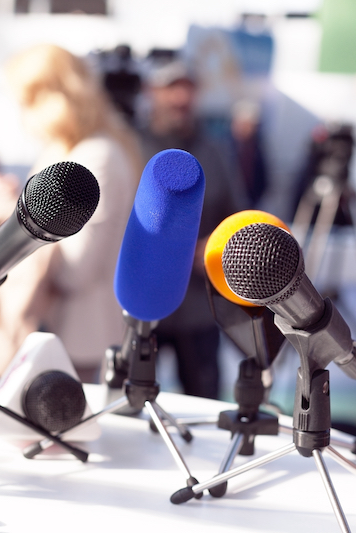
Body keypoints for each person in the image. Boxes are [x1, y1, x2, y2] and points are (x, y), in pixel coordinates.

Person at [0, 44, 142, 380]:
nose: (23, 116)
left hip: (78, 343)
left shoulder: (96, 156)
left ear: (52, 99)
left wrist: (6, 213)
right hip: (58, 338)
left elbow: (75, 270)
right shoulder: (73, 149)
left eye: (27, 103)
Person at [137, 56, 247, 399]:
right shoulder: (130, 147)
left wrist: (214, 247)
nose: (181, 98)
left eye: (188, 88)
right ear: (151, 91)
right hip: (143, 305)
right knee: (133, 409)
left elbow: (237, 219)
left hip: (199, 308)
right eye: (172, 88)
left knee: (204, 406)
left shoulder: (215, 151)